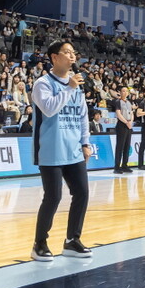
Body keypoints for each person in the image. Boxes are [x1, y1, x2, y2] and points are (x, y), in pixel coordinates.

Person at [30, 40, 93, 262]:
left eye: (73, 52)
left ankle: (72, 241)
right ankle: (39, 243)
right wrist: (69, 88)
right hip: (51, 149)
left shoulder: (76, 85)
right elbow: (49, 109)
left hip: (73, 148)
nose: (72, 56)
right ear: (54, 57)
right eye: (67, 52)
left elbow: (83, 116)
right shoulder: (42, 84)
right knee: (53, 197)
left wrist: (85, 143)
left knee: (82, 193)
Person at [112, 85, 135, 174]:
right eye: (123, 91)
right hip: (121, 125)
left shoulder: (129, 102)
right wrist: (126, 122)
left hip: (129, 125)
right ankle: (117, 167)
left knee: (127, 146)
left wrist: (131, 122)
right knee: (120, 146)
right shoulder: (118, 102)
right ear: (120, 93)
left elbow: (131, 113)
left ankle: (125, 165)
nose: (125, 93)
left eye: (126, 91)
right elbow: (118, 114)